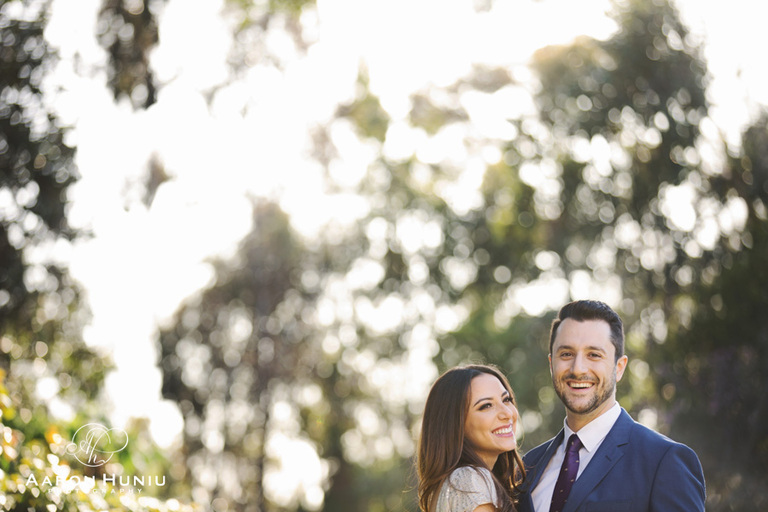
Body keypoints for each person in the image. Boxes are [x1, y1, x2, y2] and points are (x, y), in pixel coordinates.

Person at [518, 300, 706, 512]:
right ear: (551, 364)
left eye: (594, 355)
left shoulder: (663, 461)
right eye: (566, 354)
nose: (578, 368)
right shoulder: (528, 467)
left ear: (619, 367)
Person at [417, 364, 526, 512]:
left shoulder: (453, 483)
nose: (507, 413)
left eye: (506, 399)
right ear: (455, 424)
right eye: (486, 406)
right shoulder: (469, 480)